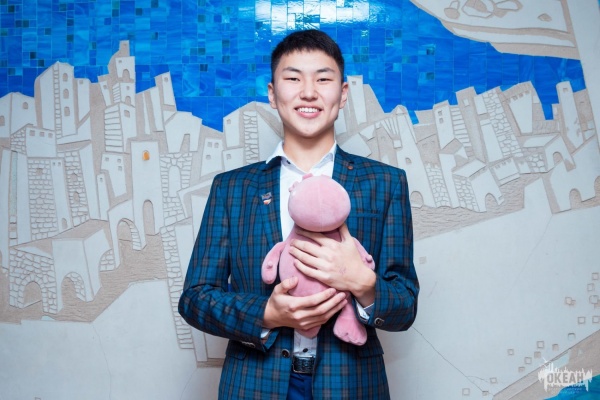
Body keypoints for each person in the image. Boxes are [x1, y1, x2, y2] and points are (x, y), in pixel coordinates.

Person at [178, 29, 419, 400]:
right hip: (253, 386)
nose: (309, 92)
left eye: (323, 79)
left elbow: (405, 305)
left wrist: (363, 282)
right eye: (293, 79)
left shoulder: (385, 183)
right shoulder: (232, 188)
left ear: (343, 93)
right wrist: (267, 313)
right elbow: (194, 298)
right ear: (273, 94)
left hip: (352, 386)